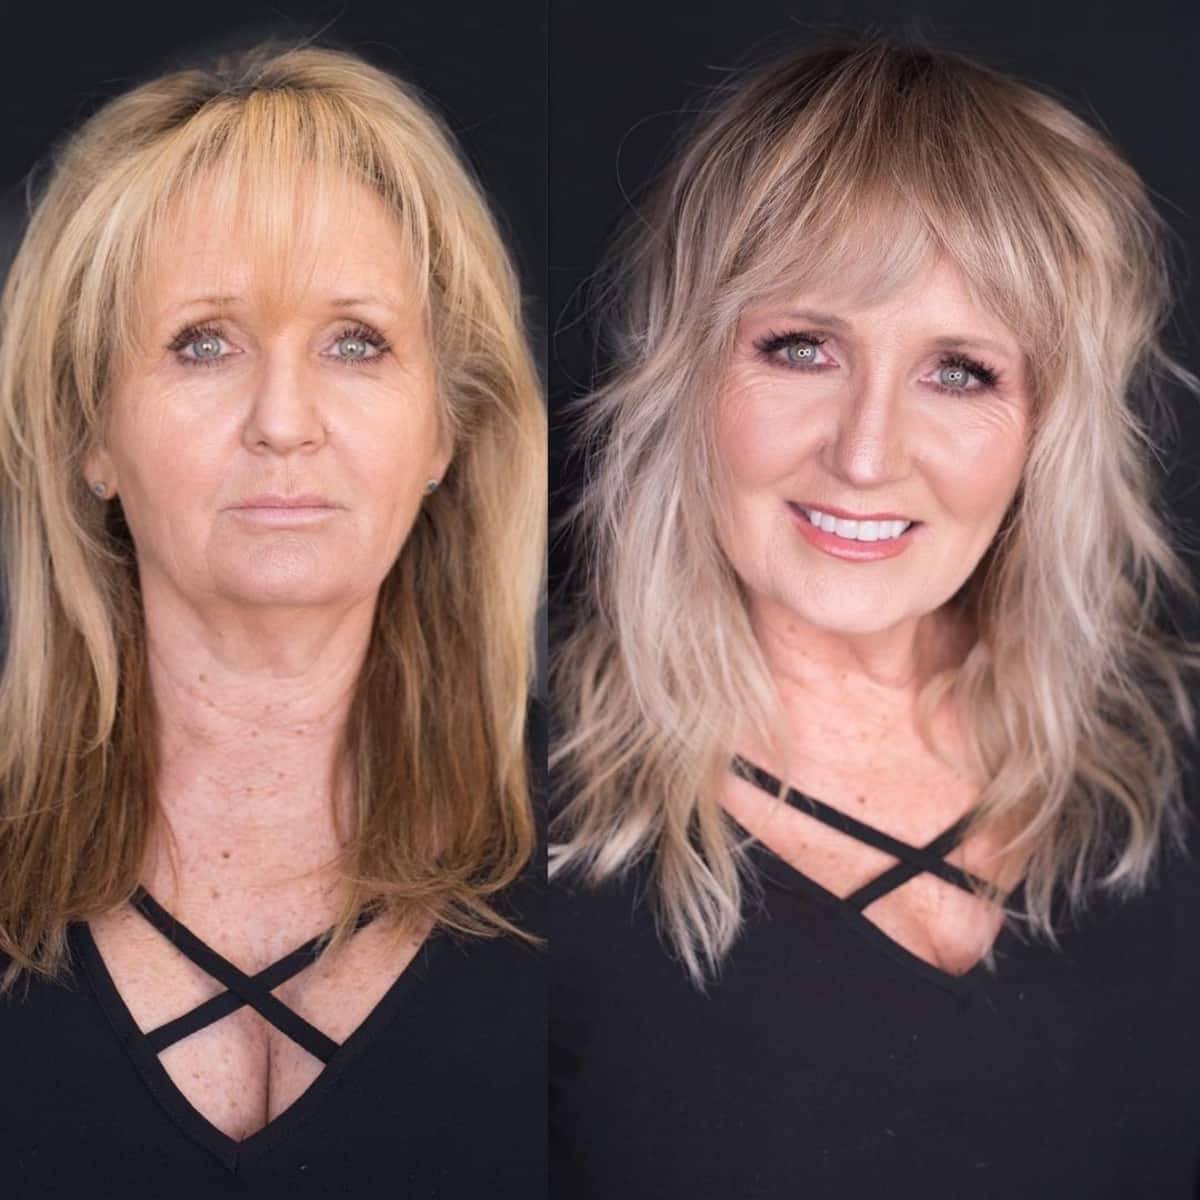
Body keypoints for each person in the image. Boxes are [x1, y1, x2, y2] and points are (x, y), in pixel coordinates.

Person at [549, 35, 1200, 1199]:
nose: (865, 453)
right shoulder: (498, 813)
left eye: (960, 371)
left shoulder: (1177, 751)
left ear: (1048, 429)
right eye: (802, 348)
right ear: (683, 373)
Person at [0, 40, 546, 1197]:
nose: (284, 421)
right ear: (91, 433)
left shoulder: (614, 862)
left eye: (356, 342)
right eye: (204, 343)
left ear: (446, 429)